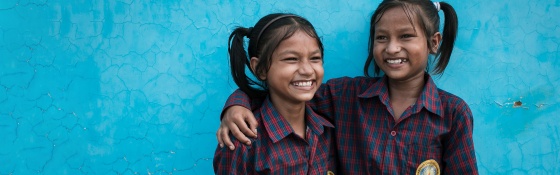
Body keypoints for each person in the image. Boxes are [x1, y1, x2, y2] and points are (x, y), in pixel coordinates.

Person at [217, 1, 478, 174]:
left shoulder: (453, 113)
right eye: (381, 37)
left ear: (434, 42)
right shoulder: (345, 97)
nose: (392, 48)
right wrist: (237, 103)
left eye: (406, 36)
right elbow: (286, 94)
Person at [213, 13, 337, 175]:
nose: (307, 70)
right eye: (291, 59)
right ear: (260, 69)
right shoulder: (243, 141)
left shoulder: (324, 130)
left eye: (314, 58)